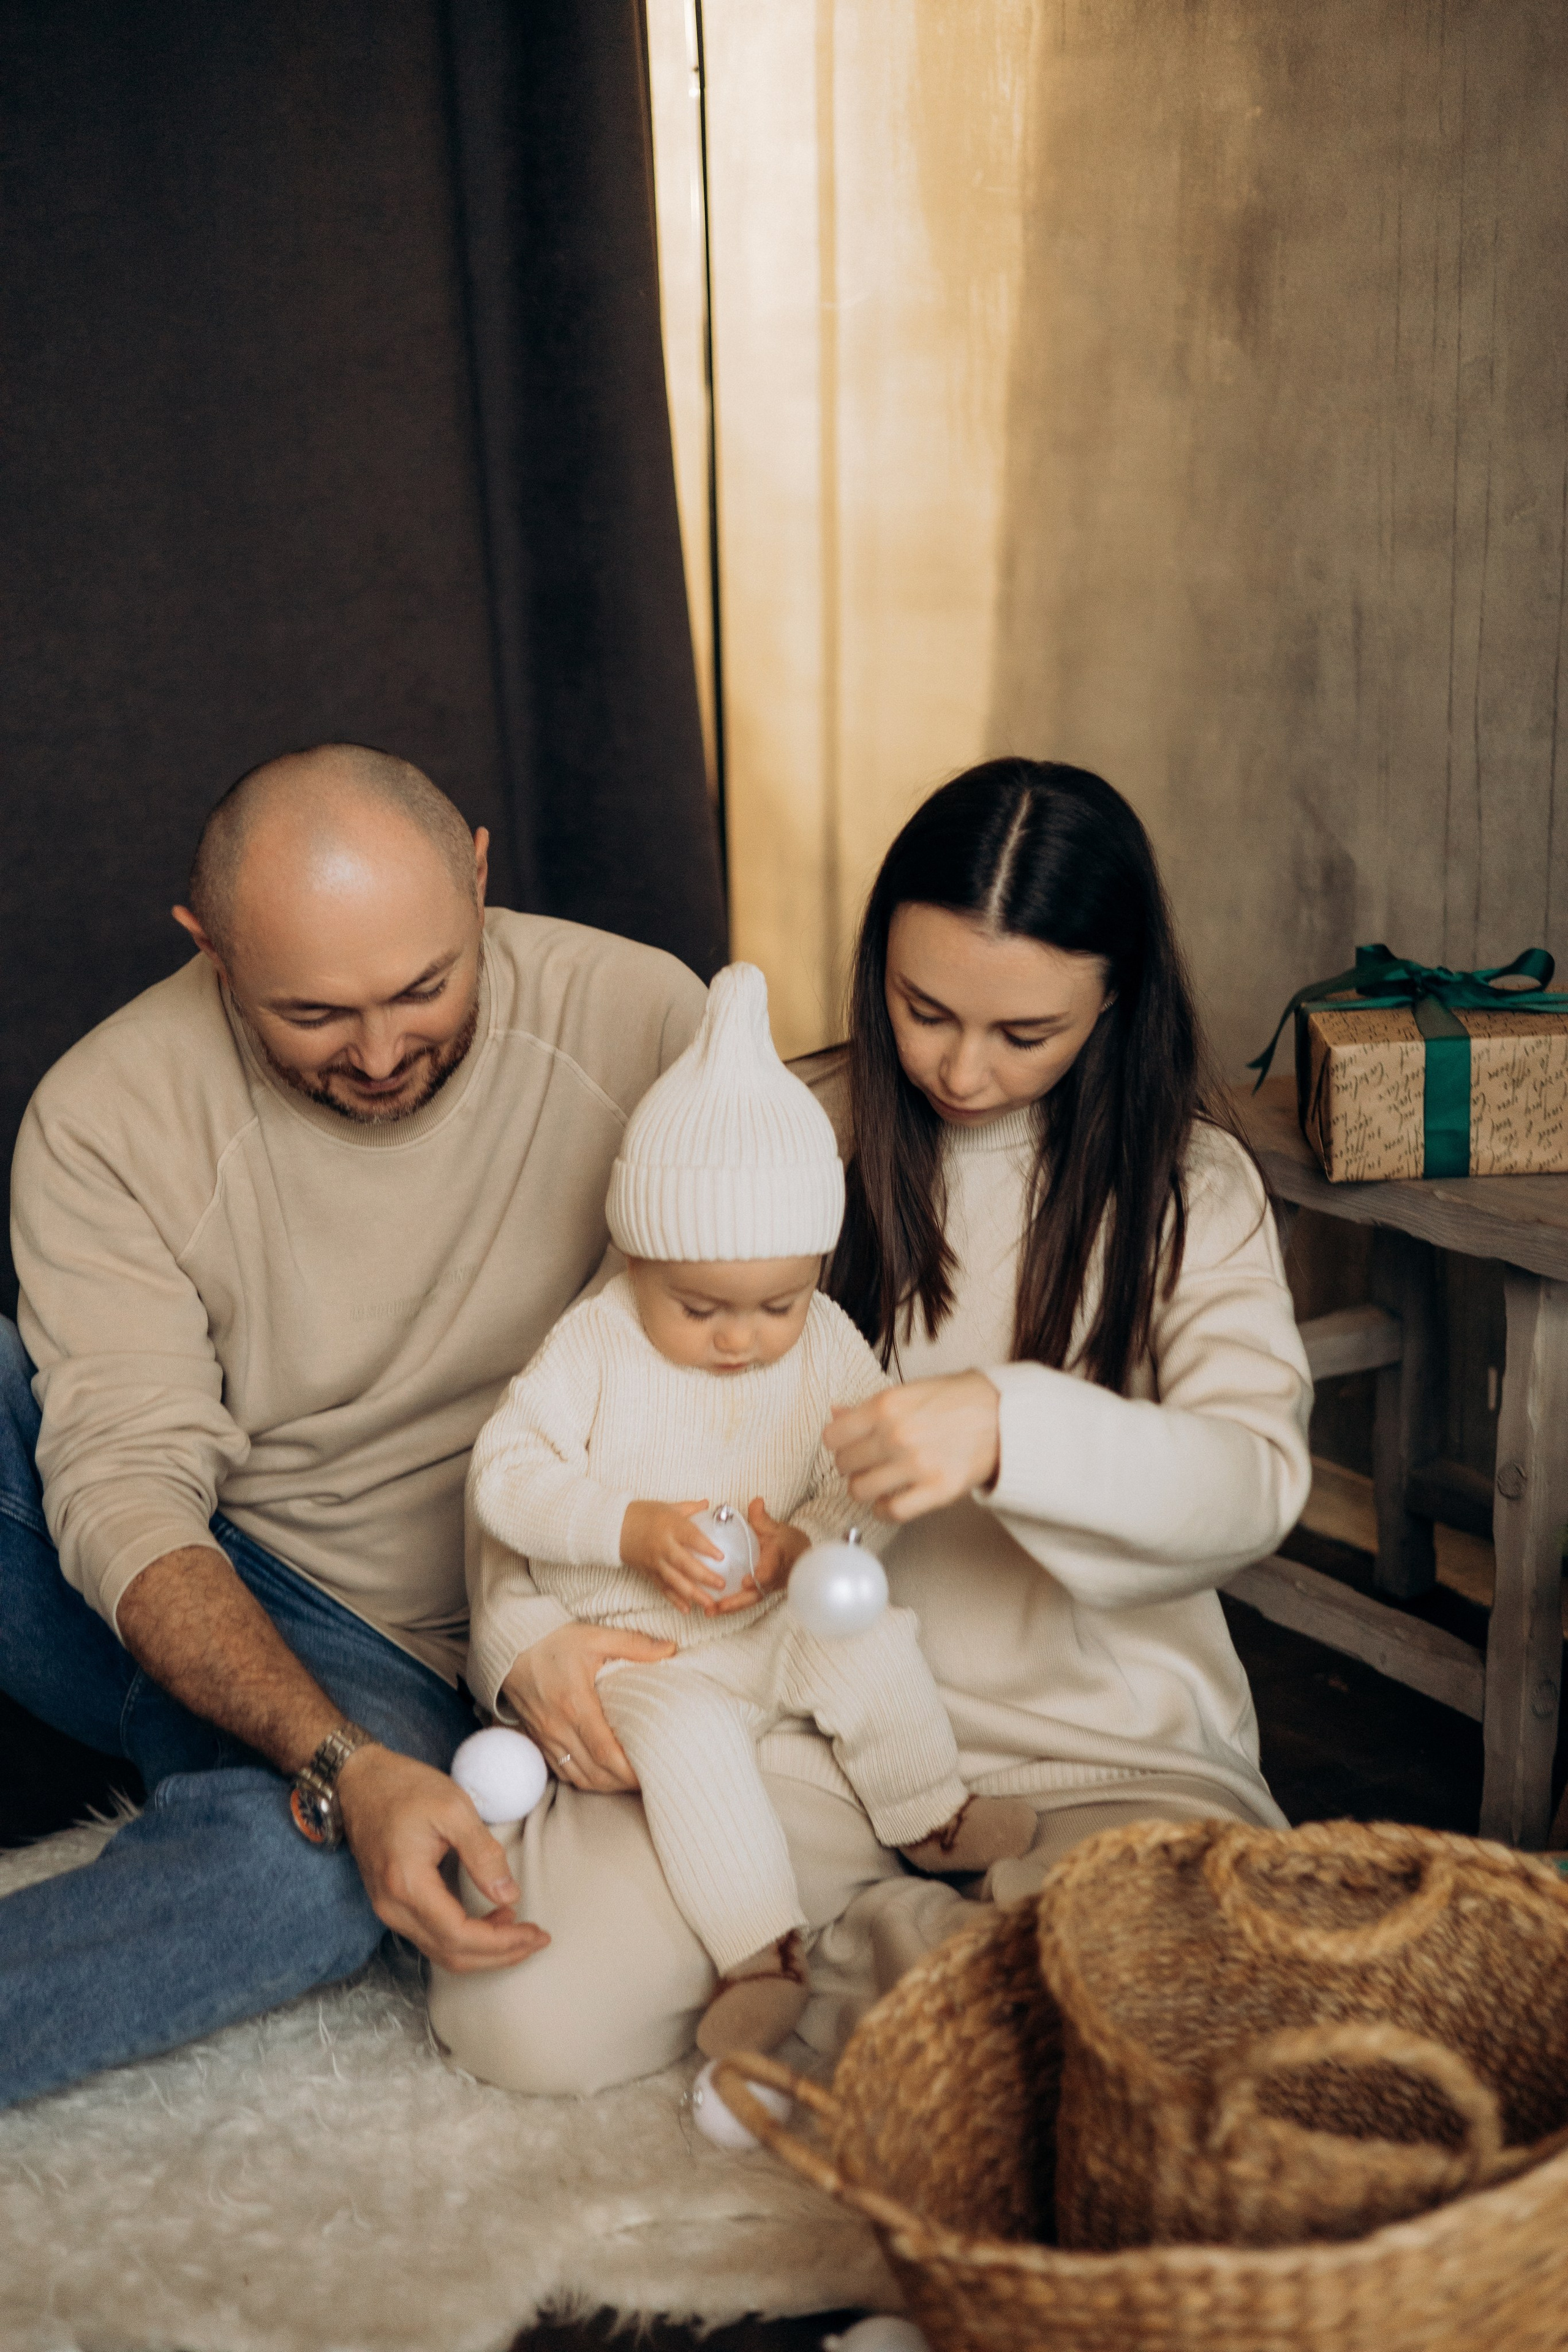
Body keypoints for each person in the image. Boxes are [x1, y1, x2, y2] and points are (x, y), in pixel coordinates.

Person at [460, 756, 1313, 2094]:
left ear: (1117, 998)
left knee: (1178, 2014)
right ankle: (942, 1973)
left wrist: (1003, 1428)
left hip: (1087, 1753)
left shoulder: (1186, 1190)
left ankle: (878, 1967)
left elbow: (1252, 1485)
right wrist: (525, 1649)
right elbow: (561, 1416)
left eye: (1023, 1034)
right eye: (922, 1013)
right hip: (776, 1724)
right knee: (520, 2017)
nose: (961, 1071)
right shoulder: (765, 1138)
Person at [0, 742, 708, 2111]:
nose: (382, 1054)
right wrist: (328, 1758)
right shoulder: (104, 1111)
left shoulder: (640, 1022)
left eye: (425, 987)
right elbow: (126, 1485)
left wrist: (383, 1753)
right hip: (186, 1549)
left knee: (321, 1870)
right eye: (313, 1013)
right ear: (209, 951)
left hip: (413, 1633)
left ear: (481, 881)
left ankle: (231, 1789)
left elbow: (738, 1360)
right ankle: (221, 1748)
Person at [432, 964, 1034, 2077]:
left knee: (864, 1638)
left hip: (762, 1617)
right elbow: (505, 1476)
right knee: (697, 1751)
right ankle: (760, 1954)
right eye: (699, 1307)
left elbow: (866, 1474)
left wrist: (801, 1544)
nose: (741, 1339)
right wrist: (629, 1529)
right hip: (641, 1653)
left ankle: (927, 1812)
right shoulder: (598, 1343)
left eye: (777, 1303)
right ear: (637, 1256)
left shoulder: (827, 1346)